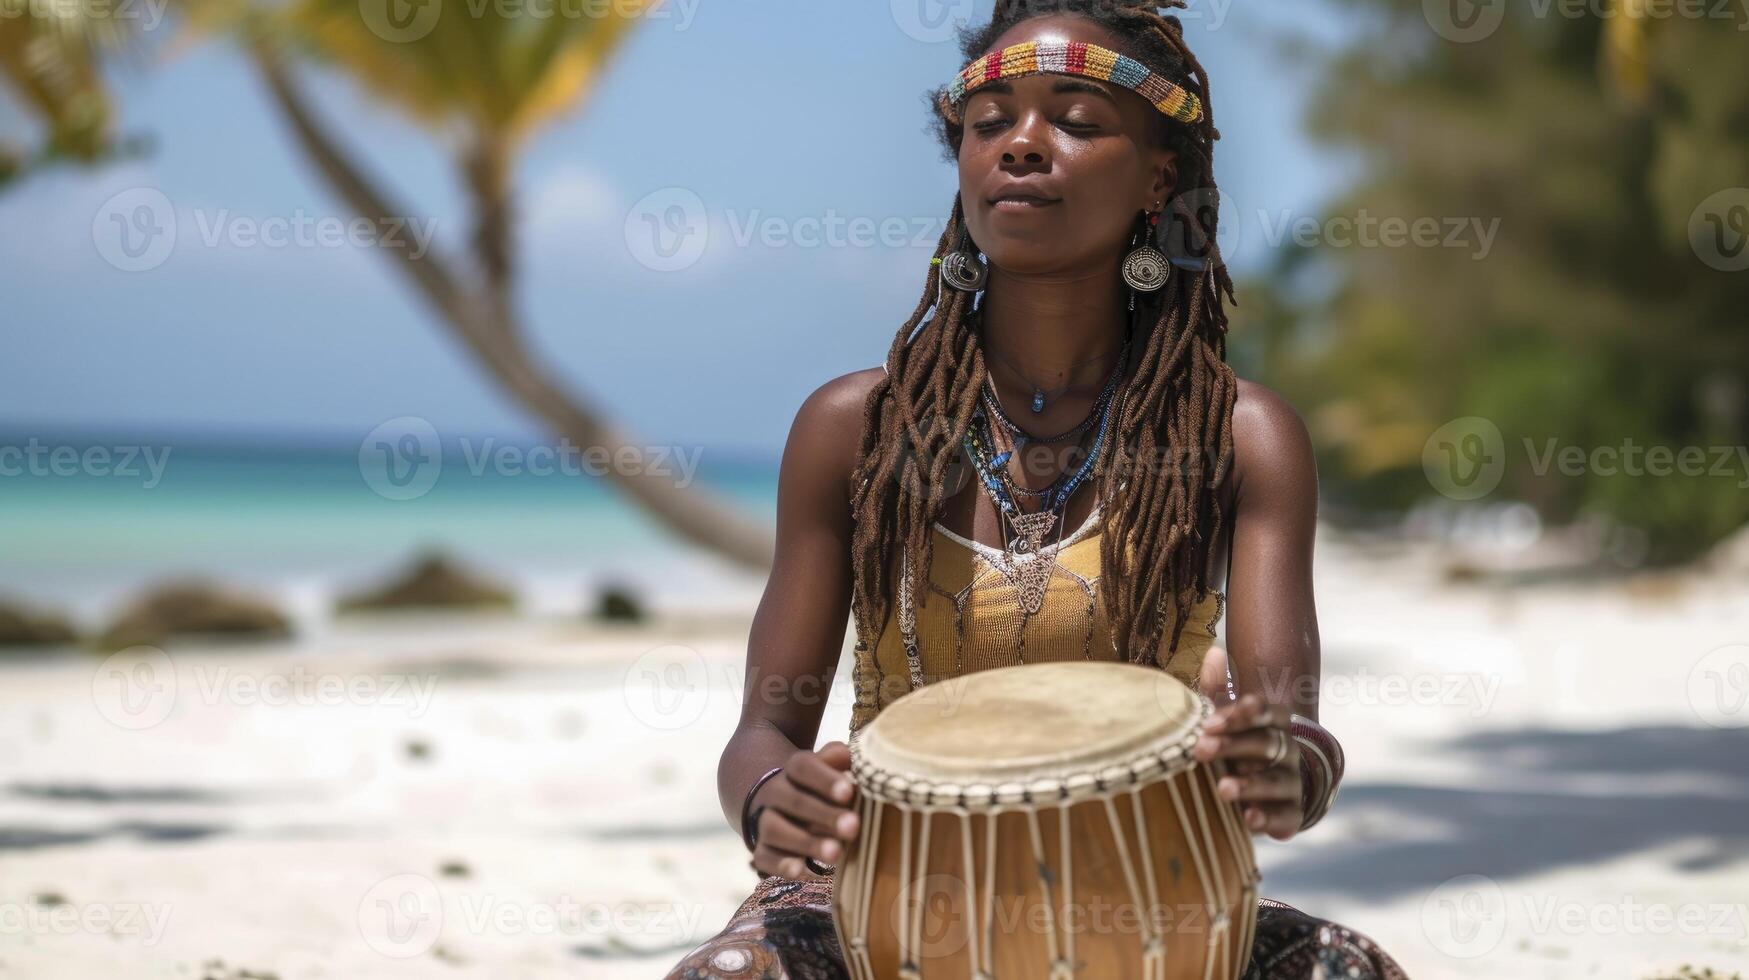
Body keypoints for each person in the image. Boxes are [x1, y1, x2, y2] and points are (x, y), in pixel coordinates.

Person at [668, 2, 1406, 976]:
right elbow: (764, 729)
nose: (1022, 144)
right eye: (991, 121)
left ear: (1158, 175)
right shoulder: (854, 430)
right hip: (880, 894)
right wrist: (774, 796)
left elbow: (1291, 727)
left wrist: (1288, 769)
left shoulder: (1240, 438)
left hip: (1150, 894)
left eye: (1076, 118)